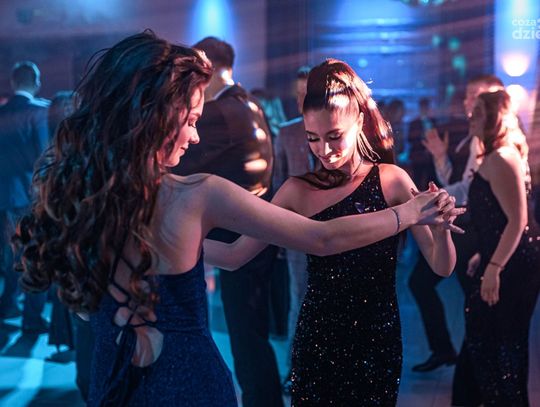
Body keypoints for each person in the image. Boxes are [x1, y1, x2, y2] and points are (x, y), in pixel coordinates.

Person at [12, 33, 462, 406]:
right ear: (156, 117)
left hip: (114, 373)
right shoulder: (199, 193)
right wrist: (408, 213)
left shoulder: (89, 205)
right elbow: (317, 240)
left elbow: (86, 306)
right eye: (191, 119)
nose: (195, 135)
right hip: (197, 376)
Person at [203, 59, 463, 405]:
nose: (324, 150)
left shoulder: (392, 181)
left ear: (359, 121)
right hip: (318, 341)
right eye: (313, 138)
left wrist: (442, 229)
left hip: (377, 341)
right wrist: (172, 239)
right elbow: (235, 255)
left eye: (334, 136)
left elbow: (442, 267)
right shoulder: (297, 191)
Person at [172, 36, 282, 407]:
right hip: (254, 226)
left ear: (208, 65)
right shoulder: (249, 102)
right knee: (250, 333)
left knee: (245, 337)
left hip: (239, 235)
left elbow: (178, 164)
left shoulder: (220, 111)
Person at [409, 75, 505, 374]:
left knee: (474, 300)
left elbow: (471, 191)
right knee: (464, 297)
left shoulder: (493, 140)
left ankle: (469, 362)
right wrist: (440, 158)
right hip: (468, 225)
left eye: (474, 95)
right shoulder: (472, 135)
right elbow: (462, 184)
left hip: (474, 230)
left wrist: (431, 198)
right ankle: (457, 356)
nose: (467, 102)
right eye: (466, 95)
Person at [459, 90, 540, 406]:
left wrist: (494, 267)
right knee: (492, 346)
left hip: (514, 266)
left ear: (495, 118)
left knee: (504, 350)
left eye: (479, 111)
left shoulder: (502, 158)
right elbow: (501, 217)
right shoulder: (496, 157)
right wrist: (486, 253)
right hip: (508, 258)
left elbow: (519, 220)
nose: (471, 116)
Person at [272, 65, 315, 394]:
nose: (301, 101)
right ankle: (296, 369)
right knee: (299, 298)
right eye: (298, 95)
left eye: (307, 94)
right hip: (296, 230)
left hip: (335, 227)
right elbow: (277, 184)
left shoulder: (339, 132)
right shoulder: (287, 133)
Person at [0, 61, 50, 333]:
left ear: (12, 82)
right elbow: (43, 156)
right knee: (34, 255)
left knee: (9, 254)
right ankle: (32, 318)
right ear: (37, 82)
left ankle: (7, 305)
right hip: (28, 197)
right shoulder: (38, 112)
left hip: (3, 197)